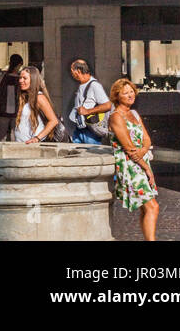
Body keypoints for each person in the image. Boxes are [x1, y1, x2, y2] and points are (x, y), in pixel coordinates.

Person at [108, 77, 159, 241]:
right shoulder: (116, 117)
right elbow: (129, 148)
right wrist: (145, 167)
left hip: (140, 161)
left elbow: (147, 139)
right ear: (117, 96)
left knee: (146, 208)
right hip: (129, 166)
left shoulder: (134, 114)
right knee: (152, 206)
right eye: (125, 93)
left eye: (131, 92)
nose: (130, 95)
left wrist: (142, 152)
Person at [68, 59, 112, 145]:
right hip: (79, 128)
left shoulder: (95, 86)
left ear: (78, 71)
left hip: (90, 131)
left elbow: (107, 105)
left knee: (91, 156)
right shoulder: (82, 85)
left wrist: (88, 111)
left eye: (72, 70)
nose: (71, 74)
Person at [12, 66, 58, 143]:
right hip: (22, 145)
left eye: (24, 78)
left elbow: (53, 121)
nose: (20, 80)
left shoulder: (39, 98)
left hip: (34, 146)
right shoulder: (23, 97)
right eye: (20, 78)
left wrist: (37, 138)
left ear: (33, 80)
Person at [0, 55, 23, 141]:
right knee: (15, 137)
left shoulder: (2, 77)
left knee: (1, 138)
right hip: (15, 112)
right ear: (18, 65)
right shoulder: (20, 79)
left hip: (2, 111)